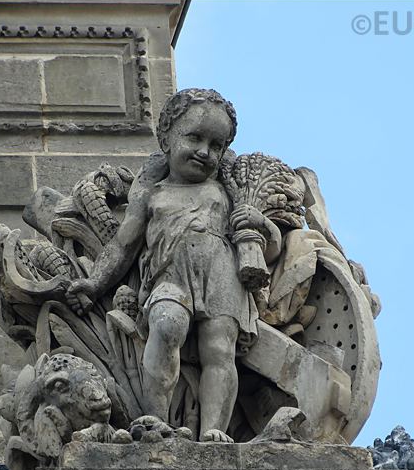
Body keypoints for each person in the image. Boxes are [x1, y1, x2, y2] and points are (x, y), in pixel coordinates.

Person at [67, 89, 276, 442]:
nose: (204, 152)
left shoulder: (226, 193)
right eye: (194, 137)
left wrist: (259, 222)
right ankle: (156, 419)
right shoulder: (151, 194)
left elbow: (270, 244)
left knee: (219, 349)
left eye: (216, 145)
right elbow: (123, 245)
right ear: (166, 138)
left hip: (222, 276)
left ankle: (213, 431)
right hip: (169, 276)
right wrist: (95, 283)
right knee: (165, 327)